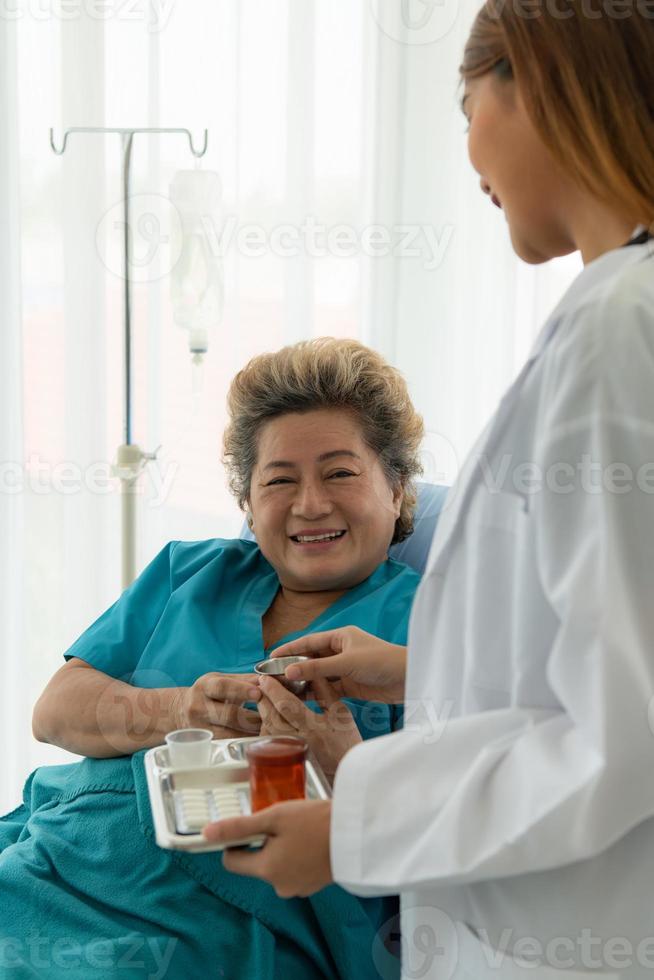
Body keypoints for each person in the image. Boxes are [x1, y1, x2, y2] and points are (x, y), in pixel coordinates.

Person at [202, 8, 654, 980]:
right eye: (277, 477)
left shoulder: (622, 324)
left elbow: (628, 732)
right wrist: (408, 667)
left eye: (465, 106)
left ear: (530, 81)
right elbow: (594, 648)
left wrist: (351, 828)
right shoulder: (619, 308)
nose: (470, 153)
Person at [0, 338, 424, 979]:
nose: (310, 504)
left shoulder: (436, 627)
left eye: (340, 472)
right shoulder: (188, 571)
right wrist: (179, 710)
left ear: (396, 488)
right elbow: (55, 713)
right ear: (249, 505)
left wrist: (344, 768)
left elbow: (460, 813)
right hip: (73, 853)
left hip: (239, 912)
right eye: (279, 480)